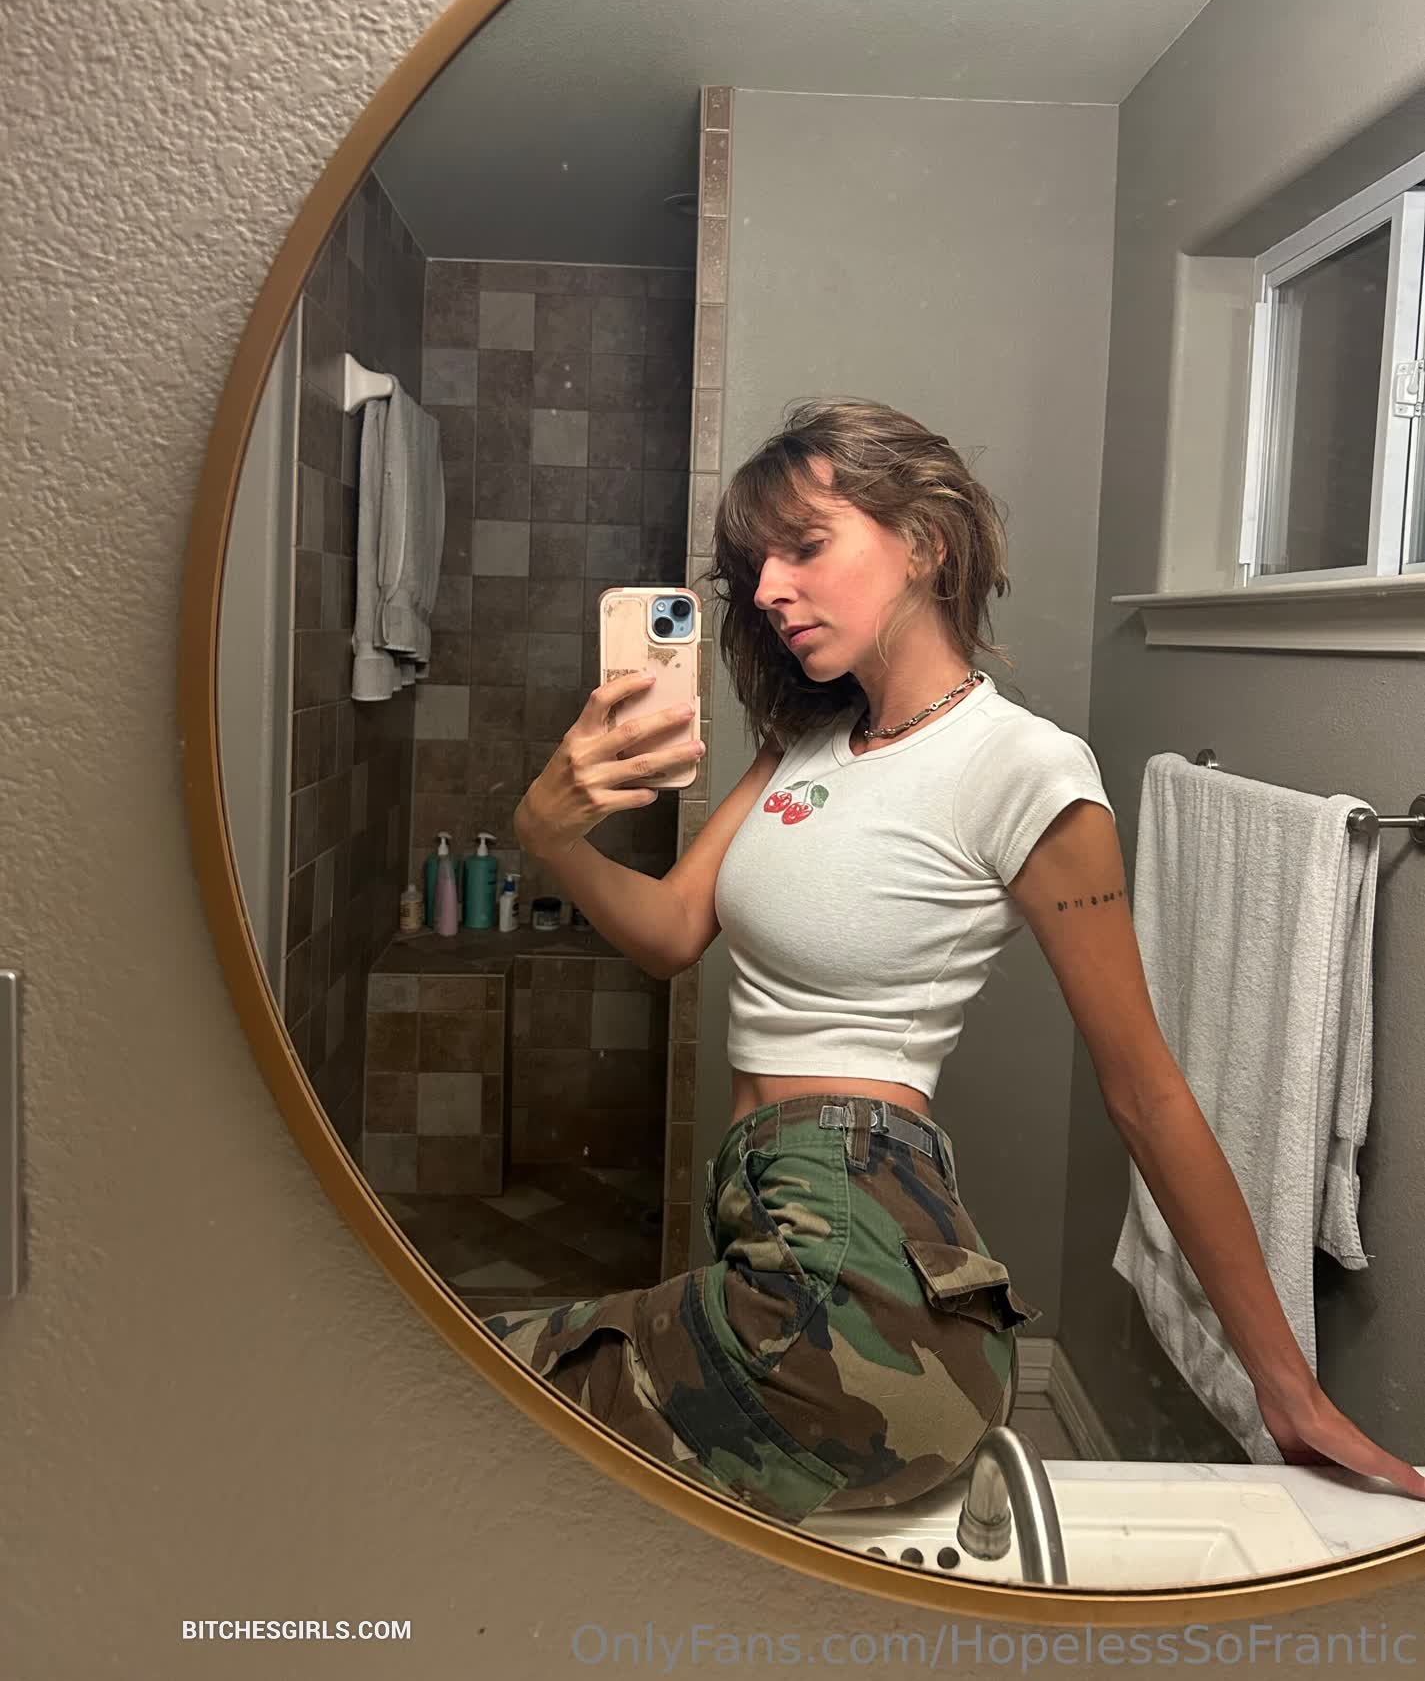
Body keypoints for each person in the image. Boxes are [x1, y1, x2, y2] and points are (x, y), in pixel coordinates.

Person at [480, 397, 1425, 1527]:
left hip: (861, 1253)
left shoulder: (1023, 769)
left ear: (924, 540)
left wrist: (1287, 1385)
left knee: (463, 1399)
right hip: (770, 1220)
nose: (768, 589)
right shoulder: (804, 745)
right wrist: (549, 838)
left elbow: (1146, 1091)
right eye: (757, 565)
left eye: (804, 547)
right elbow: (672, 933)